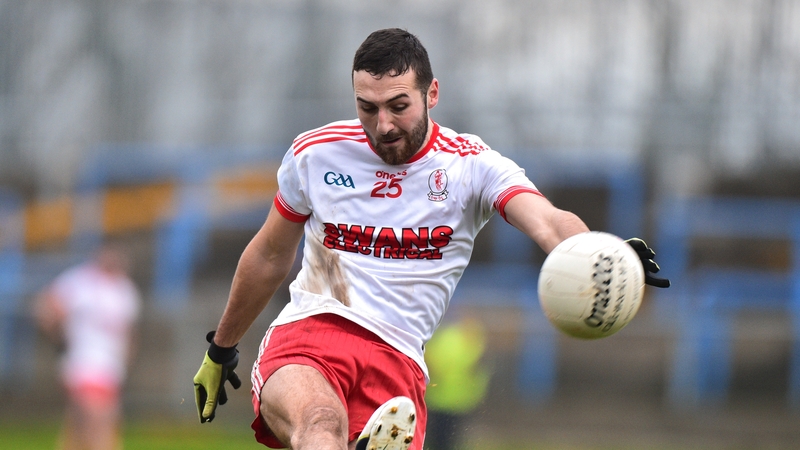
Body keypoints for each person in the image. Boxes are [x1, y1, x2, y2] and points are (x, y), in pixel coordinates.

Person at [193, 27, 670, 450]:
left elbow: (548, 222)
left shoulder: (471, 165)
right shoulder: (316, 154)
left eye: (399, 106)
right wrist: (222, 347)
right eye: (368, 108)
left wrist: (602, 252)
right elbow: (270, 254)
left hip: (397, 366)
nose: (383, 125)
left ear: (432, 93)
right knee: (320, 422)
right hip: (311, 334)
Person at [35, 243, 141, 450]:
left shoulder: (125, 290)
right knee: (99, 420)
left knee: (79, 428)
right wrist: (58, 335)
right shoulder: (79, 281)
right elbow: (47, 307)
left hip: (110, 365)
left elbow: (129, 332)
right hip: (84, 361)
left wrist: (126, 362)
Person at [424, 313, 490, 450]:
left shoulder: (445, 336)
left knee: (441, 440)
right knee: (443, 440)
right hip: (448, 400)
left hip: (450, 400)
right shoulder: (467, 338)